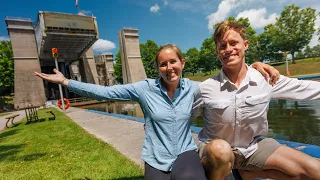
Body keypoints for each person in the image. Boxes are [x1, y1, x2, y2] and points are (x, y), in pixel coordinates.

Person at [35, 44, 277, 180]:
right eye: (163, 63)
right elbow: (105, 93)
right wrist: (66, 82)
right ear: (158, 68)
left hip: (184, 151)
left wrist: (254, 66)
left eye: (173, 62)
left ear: (182, 63)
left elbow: (227, 84)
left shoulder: (196, 88)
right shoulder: (144, 89)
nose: (169, 67)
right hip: (155, 157)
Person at [192, 20, 320, 180]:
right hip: (215, 152)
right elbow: (183, 119)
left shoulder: (265, 79)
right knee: (220, 150)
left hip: (252, 148)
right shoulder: (205, 88)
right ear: (217, 51)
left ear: (245, 45)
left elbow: (305, 88)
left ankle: (249, 172)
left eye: (233, 43)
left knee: (315, 171)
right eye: (222, 46)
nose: (228, 49)